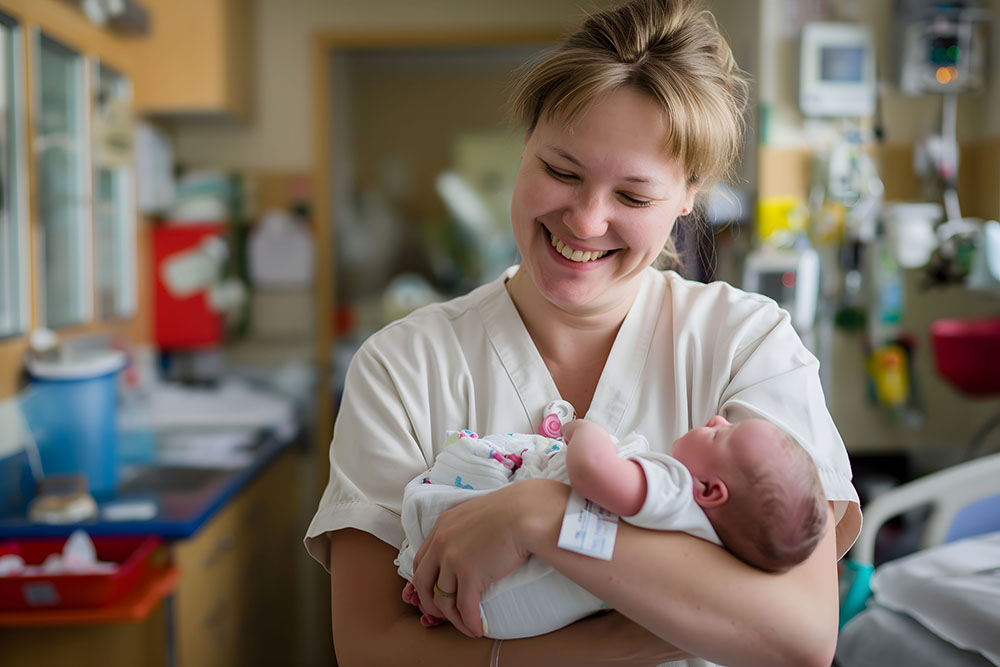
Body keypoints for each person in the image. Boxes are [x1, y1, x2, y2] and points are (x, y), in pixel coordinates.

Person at [305, 0, 862, 664]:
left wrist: (538, 518)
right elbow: (372, 648)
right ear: (526, 143)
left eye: (633, 196)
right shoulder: (404, 365)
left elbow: (798, 633)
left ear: (689, 194)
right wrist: (669, 622)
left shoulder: (746, 343)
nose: (586, 221)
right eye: (561, 172)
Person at [397, 414, 828, 639]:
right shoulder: (706, 545)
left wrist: (585, 430)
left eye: (722, 437)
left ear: (710, 491)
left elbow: (591, 472)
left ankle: (425, 560)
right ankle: (427, 592)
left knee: (477, 475)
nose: (717, 421)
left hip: (489, 573)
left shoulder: (675, 488)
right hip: (508, 613)